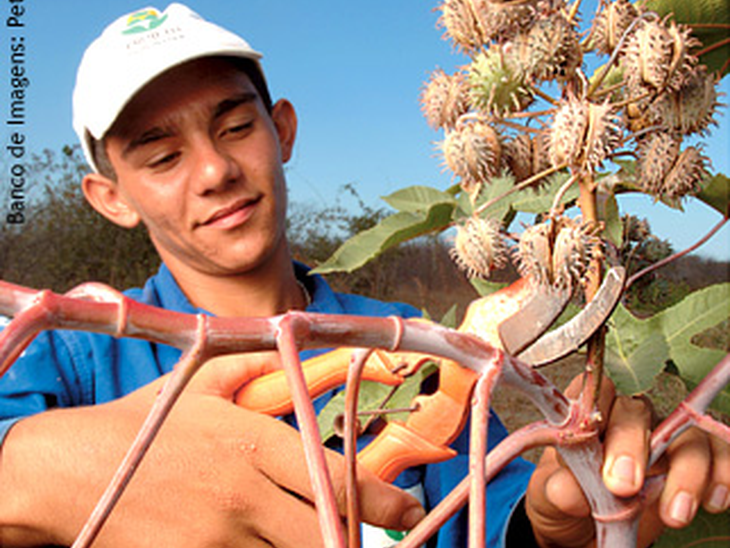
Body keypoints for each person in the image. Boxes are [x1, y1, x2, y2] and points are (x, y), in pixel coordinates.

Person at [0, 4, 727, 547]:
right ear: (111, 198)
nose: (216, 170)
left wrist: (557, 518)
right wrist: (53, 468)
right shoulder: (72, 347)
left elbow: (495, 512)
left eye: (234, 126)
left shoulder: (418, 347)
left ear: (281, 128)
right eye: (162, 157)